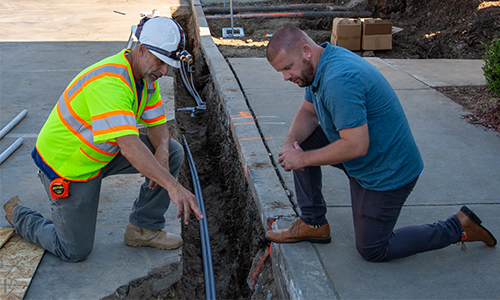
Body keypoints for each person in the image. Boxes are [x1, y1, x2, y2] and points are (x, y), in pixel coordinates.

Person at [264, 27, 496, 262]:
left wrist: (302, 159)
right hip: (365, 154)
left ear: (306, 52)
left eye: (287, 68)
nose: (286, 77)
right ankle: (313, 224)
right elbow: (308, 111)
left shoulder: (339, 80)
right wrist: (290, 145)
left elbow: (356, 146)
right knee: (301, 143)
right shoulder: (321, 64)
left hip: (387, 171)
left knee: (372, 248)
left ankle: (458, 227)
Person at [3, 17, 203, 262]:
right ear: (142, 50)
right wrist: (172, 185)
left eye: (168, 64)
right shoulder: (110, 82)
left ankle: (143, 228)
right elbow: (129, 146)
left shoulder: (145, 77)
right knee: (74, 251)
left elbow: (158, 126)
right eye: (161, 62)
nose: (164, 71)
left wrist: (161, 150)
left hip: (101, 150)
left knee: (172, 151)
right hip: (69, 165)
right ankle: (20, 215)